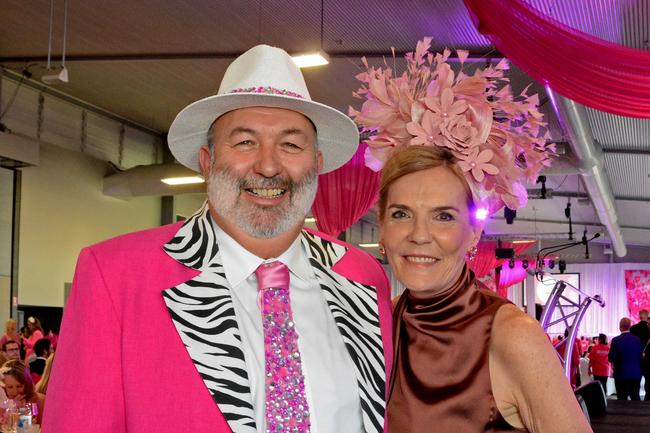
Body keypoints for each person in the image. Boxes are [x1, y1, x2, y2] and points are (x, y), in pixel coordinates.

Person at [43, 44, 392, 433]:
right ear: (208, 161)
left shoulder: (361, 277)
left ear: (317, 165)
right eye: (244, 142)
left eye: (291, 144)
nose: (269, 165)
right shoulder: (116, 276)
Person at [351, 39, 592, 432]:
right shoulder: (376, 324)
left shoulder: (513, 337)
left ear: (472, 232)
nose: (419, 235)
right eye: (401, 214)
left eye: (443, 216)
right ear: (382, 227)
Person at [0, 360, 44, 424]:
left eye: (19, 386)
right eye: (10, 387)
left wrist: (22, 410)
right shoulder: (2, 402)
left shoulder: (37, 401)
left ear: (27, 384)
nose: (15, 392)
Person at [609, 317, 643, 400]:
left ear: (620, 327)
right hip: (636, 374)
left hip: (621, 374)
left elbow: (611, 357)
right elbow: (640, 356)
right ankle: (638, 413)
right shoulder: (637, 339)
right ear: (630, 326)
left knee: (622, 399)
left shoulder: (616, 340)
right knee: (635, 397)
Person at [629, 309, 650, 398]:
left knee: (635, 382)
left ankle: (635, 400)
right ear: (647, 316)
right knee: (648, 380)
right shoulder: (648, 328)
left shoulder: (633, 329)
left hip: (635, 358)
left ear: (639, 316)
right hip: (648, 358)